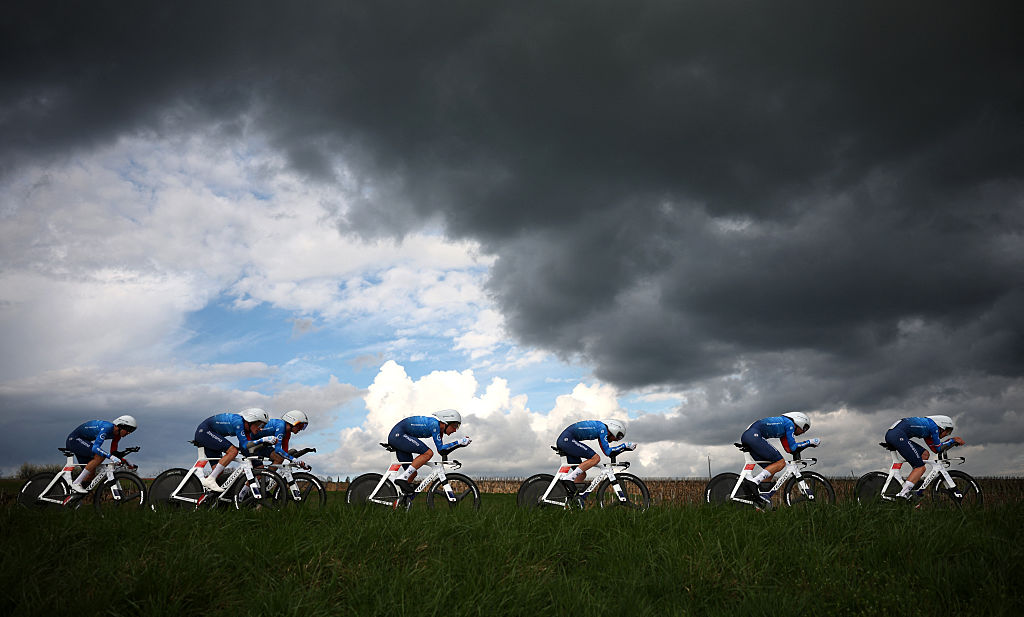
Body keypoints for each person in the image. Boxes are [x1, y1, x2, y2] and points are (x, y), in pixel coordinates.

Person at [740, 412, 820, 504]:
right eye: (805, 428)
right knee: (780, 462)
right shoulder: (789, 424)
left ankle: (760, 500)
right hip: (753, 436)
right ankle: (754, 482)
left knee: (772, 468)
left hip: (750, 436)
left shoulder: (784, 428)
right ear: (800, 421)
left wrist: (805, 445)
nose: (804, 432)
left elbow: (789, 449)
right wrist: (810, 442)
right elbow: (793, 447)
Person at [387, 409, 470, 494]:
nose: (455, 430)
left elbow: (442, 451)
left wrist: (460, 445)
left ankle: (400, 500)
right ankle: (402, 478)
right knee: (428, 453)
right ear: (446, 422)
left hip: (400, 436)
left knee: (412, 474)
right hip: (398, 435)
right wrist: (459, 442)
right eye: (455, 426)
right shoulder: (434, 425)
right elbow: (441, 449)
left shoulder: (439, 430)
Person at [884, 415, 964, 500]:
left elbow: (936, 450)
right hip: (897, 435)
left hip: (895, 434)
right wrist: (953, 440)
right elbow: (938, 447)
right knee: (920, 468)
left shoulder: (928, 429)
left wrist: (951, 442)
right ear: (942, 426)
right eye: (948, 432)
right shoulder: (934, 427)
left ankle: (911, 484)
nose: (947, 435)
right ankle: (903, 494)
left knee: (925, 454)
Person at [194, 408, 274, 492]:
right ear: (252, 420)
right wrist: (263, 440)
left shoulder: (247, 429)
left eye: (263, 427)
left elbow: (246, 447)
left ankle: (201, 489)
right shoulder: (238, 422)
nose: (261, 429)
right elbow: (245, 444)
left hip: (212, 435)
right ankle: (210, 480)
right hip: (205, 432)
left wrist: (256, 461)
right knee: (233, 451)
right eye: (260, 425)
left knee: (218, 471)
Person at [555, 418, 636, 489]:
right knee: (596, 458)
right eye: (618, 437)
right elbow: (608, 451)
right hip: (567, 440)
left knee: (581, 475)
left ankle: (572, 497)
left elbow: (608, 453)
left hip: (567, 440)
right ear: (614, 429)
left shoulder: (600, 429)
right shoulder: (603, 429)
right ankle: (568, 479)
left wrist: (624, 448)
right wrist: (625, 445)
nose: (617, 440)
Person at [66, 415, 138, 493]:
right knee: (99, 456)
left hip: (83, 441)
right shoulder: (107, 427)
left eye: (131, 431)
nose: (129, 433)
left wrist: (125, 461)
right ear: (120, 426)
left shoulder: (117, 435)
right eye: (128, 430)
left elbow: (113, 453)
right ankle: (76, 483)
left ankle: (74, 496)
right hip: (74, 440)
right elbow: (95, 448)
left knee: (90, 475)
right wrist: (110, 457)